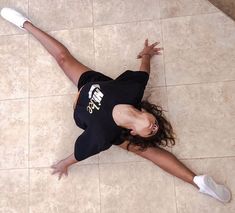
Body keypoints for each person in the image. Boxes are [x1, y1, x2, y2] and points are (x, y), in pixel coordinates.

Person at [1, 7, 231, 203]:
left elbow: (79, 153)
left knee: (149, 154)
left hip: (83, 110)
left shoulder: (105, 135)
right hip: (91, 83)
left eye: (149, 132)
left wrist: (64, 164)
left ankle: (197, 182)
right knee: (62, 57)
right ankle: (25, 24)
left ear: (132, 132)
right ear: (144, 111)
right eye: (154, 125)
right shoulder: (132, 91)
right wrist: (146, 56)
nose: (152, 128)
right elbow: (143, 73)